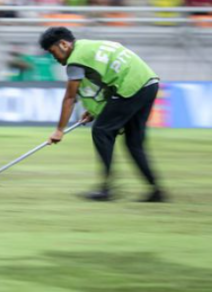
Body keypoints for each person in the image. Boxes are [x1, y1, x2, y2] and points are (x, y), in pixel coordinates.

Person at [39, 27, 166, 202]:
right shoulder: (88, 46)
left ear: (63, 44)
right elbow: (110, 81)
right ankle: (156, 190)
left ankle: (106, 189)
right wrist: (94, 111)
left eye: (53, 52)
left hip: (130, 86)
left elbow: (69, 98)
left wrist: (59, 130)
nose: (54, 57)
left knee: (101, 131)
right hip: (148, 83)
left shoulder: (75, 60)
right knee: (133, 142)